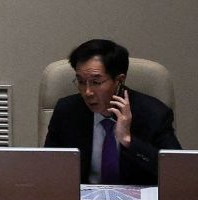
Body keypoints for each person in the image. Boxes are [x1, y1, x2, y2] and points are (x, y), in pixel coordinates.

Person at [43, 38, 180, 185]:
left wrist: (129, 141)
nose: (87, 92)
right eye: (81, 81)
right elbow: (48, 167)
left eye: (96, 82)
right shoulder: (67, 111)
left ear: (119, 80)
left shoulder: (154, 114)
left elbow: (176, 171)